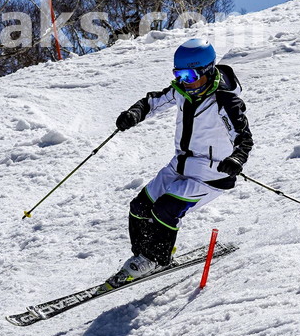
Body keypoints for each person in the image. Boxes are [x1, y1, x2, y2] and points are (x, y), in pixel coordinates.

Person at [105, 38, 253, 287]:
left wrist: (236, 158)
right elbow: (152, 102)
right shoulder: (182, 90)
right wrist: (134, 114)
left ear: (207, 71)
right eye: (179, 74)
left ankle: (156, 258)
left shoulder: (224, 101)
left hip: (211, 173)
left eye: (190, 74)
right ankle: (145, 257)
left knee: (165, 210)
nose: (185, 80)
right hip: (180, 165)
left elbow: (243, 137)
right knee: (139, 207)